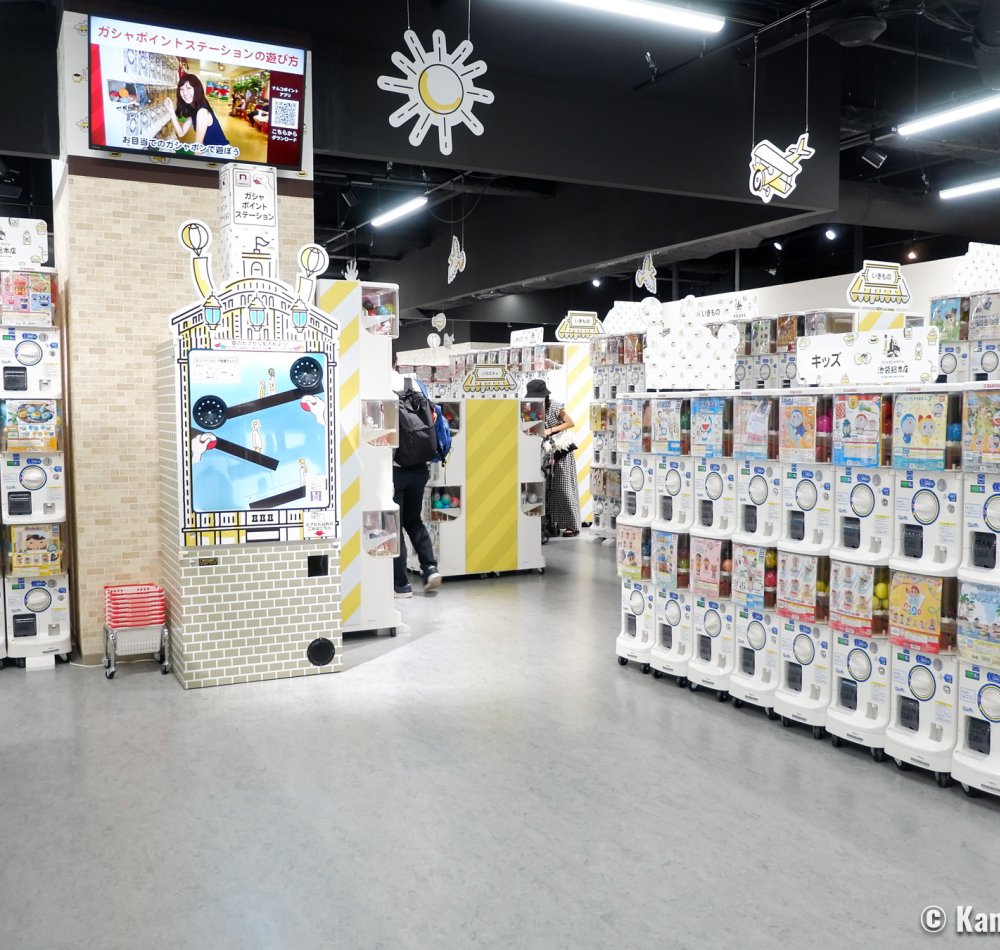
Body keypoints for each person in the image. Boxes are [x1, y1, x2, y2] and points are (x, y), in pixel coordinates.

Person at [391, 360, 442, 597]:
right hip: (420, 466)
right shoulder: (415, 383)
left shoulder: (377, 384)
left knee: (395, 524)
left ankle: (401, 584)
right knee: (414, 519)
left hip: (393, 468)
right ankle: (430, 568)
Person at [527, 378, 580, 537]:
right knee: (550, 491)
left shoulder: (555, 406)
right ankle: (554, 523)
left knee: (564, 489)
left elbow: (570, 423)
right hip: (544, 452)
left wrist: (550, 430)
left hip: (560, 451)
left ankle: (573, 524)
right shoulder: (530, 409)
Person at [165, 73, 231, 148]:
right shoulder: (195, 108)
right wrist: (171, 111)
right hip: (212, 151)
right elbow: (181, 133)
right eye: (181, 89)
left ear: (196, 89)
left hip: (220, 154)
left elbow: (198, 147)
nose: (185, 93)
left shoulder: (201, 112)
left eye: (188, 88)